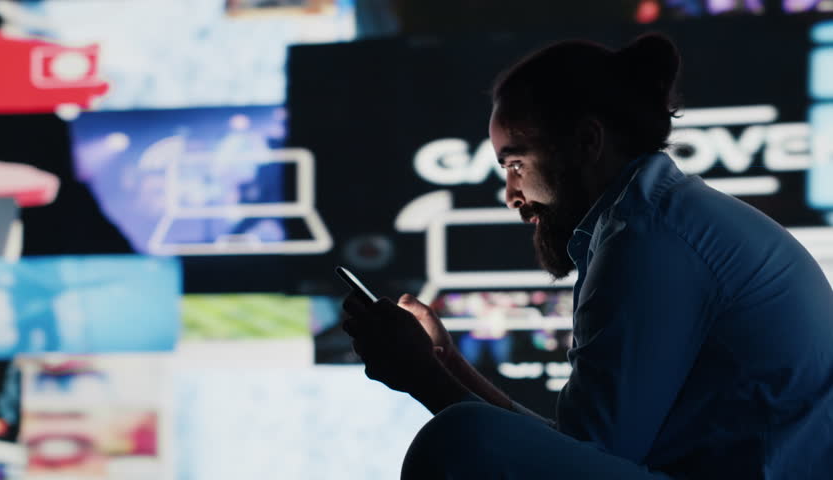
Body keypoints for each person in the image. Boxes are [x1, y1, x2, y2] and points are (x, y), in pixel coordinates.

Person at [341, 33, 833, 479]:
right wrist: (444, 361)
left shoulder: (648, 239)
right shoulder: (653, 221)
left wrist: (419, 376)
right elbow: (570, 454)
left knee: (461, 439)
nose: (512, 194)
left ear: (587, 142)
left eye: (516, 163)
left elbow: (584, 462)